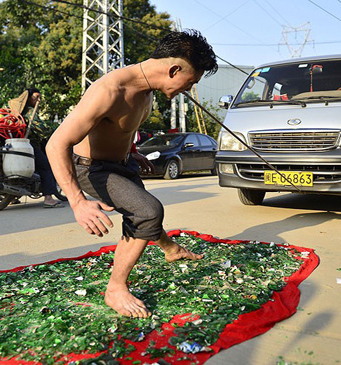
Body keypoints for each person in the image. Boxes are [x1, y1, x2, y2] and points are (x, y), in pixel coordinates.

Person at [46, 29, 218, 318]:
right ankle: (115, 289)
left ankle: (170, 249)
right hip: (92, 169)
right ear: (174, 69)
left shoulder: (148, 90)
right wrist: (77, 202)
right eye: (190, 82)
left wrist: (132, 153)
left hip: (122, 164)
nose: (189, 90)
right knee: (148, 211)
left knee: (142, 213)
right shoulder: (109, 90)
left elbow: (117, 128)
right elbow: (56, 144)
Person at [8, 88, 65, 208]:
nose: (38, 100)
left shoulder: (14, 110)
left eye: (39, 98)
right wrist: (53, 130)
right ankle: (48, 199)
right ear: (28, 98)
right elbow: (41, 128)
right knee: (46, 168)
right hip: (29, 144)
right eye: (35, 97)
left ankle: (11, 197)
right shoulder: (29, 111)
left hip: (13, 143)